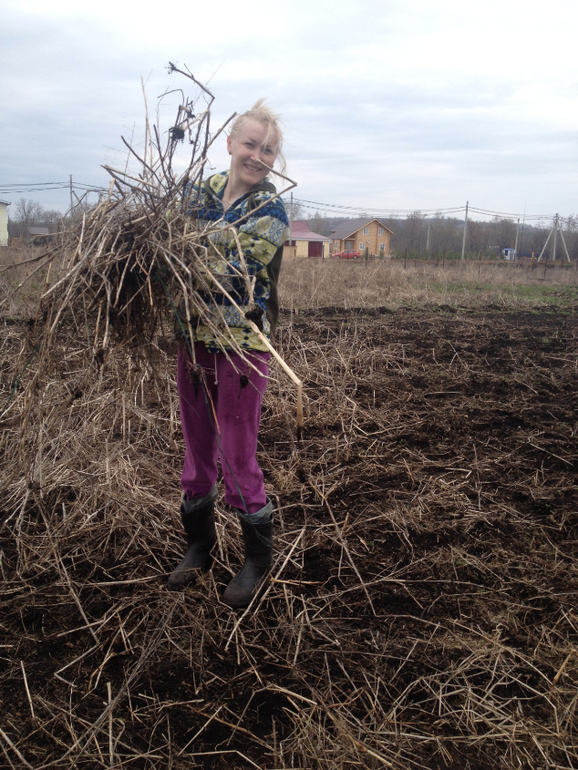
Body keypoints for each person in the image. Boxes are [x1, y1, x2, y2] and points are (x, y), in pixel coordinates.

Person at [168, 100, 289, 608]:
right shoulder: (197, 191)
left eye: (268, 150)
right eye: (251, 144)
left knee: (236, 450)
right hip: (192, 336)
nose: (258, 156)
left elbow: (230, 264)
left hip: (242, 346)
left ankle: (256, 557)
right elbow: (172, 247)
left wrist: (180, 245)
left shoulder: (272, 210)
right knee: (197, 447)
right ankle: (200, 544)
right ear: (230, 143)